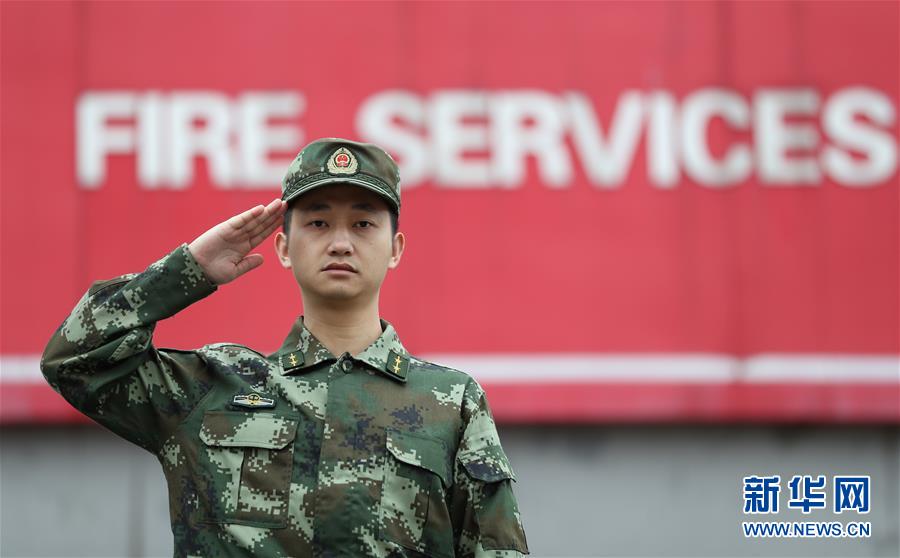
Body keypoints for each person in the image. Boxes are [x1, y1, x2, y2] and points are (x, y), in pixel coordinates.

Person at [41, 138, 529, 557]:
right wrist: (190, 268)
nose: (340, 243)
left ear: (395, 248)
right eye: (318, 224)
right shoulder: (209, 389)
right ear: (282, 247)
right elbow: (74, 358)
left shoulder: (450, 401)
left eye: (363, 224)